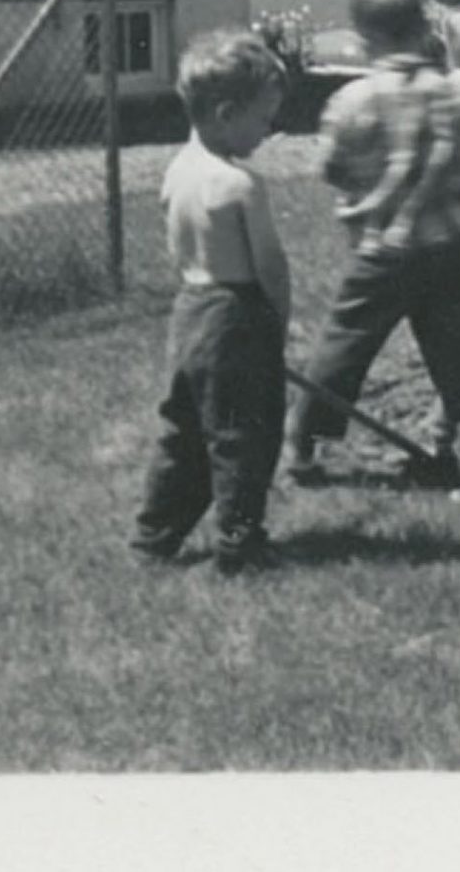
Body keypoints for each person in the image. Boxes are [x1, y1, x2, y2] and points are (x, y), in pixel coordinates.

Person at [287, 0, 460, 497]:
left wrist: (363, 186)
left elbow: (329, 165)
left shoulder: (354, 101)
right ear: (424, 27)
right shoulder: (458, 89)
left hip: (382, 250)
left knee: (343, 349)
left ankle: (305, 448)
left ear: (364, 38)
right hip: (448, 248)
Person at [131, 28, 294, 575]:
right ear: (227, 113)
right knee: (242, 436)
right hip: (236, 314)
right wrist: (278, 322)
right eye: (264, 120)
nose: (269, 133)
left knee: (185, 430)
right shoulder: (241, 185)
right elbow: (270, 267)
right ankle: (240, 543)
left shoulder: (178, 170)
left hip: (190, 310)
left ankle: (154, 537)